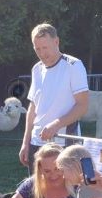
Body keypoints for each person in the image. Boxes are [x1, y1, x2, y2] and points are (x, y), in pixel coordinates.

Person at [18, 24, 89, 172]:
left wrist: (56, 125)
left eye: (45, 48)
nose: (42, 53)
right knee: (37, 193)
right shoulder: (36, 69)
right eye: (37, 49)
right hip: (36, 143)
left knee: (65, 193)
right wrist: (25, 142)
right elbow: (32, 108)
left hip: (64, 143)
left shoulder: (74, 66)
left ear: (56, 42)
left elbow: (82, 106)